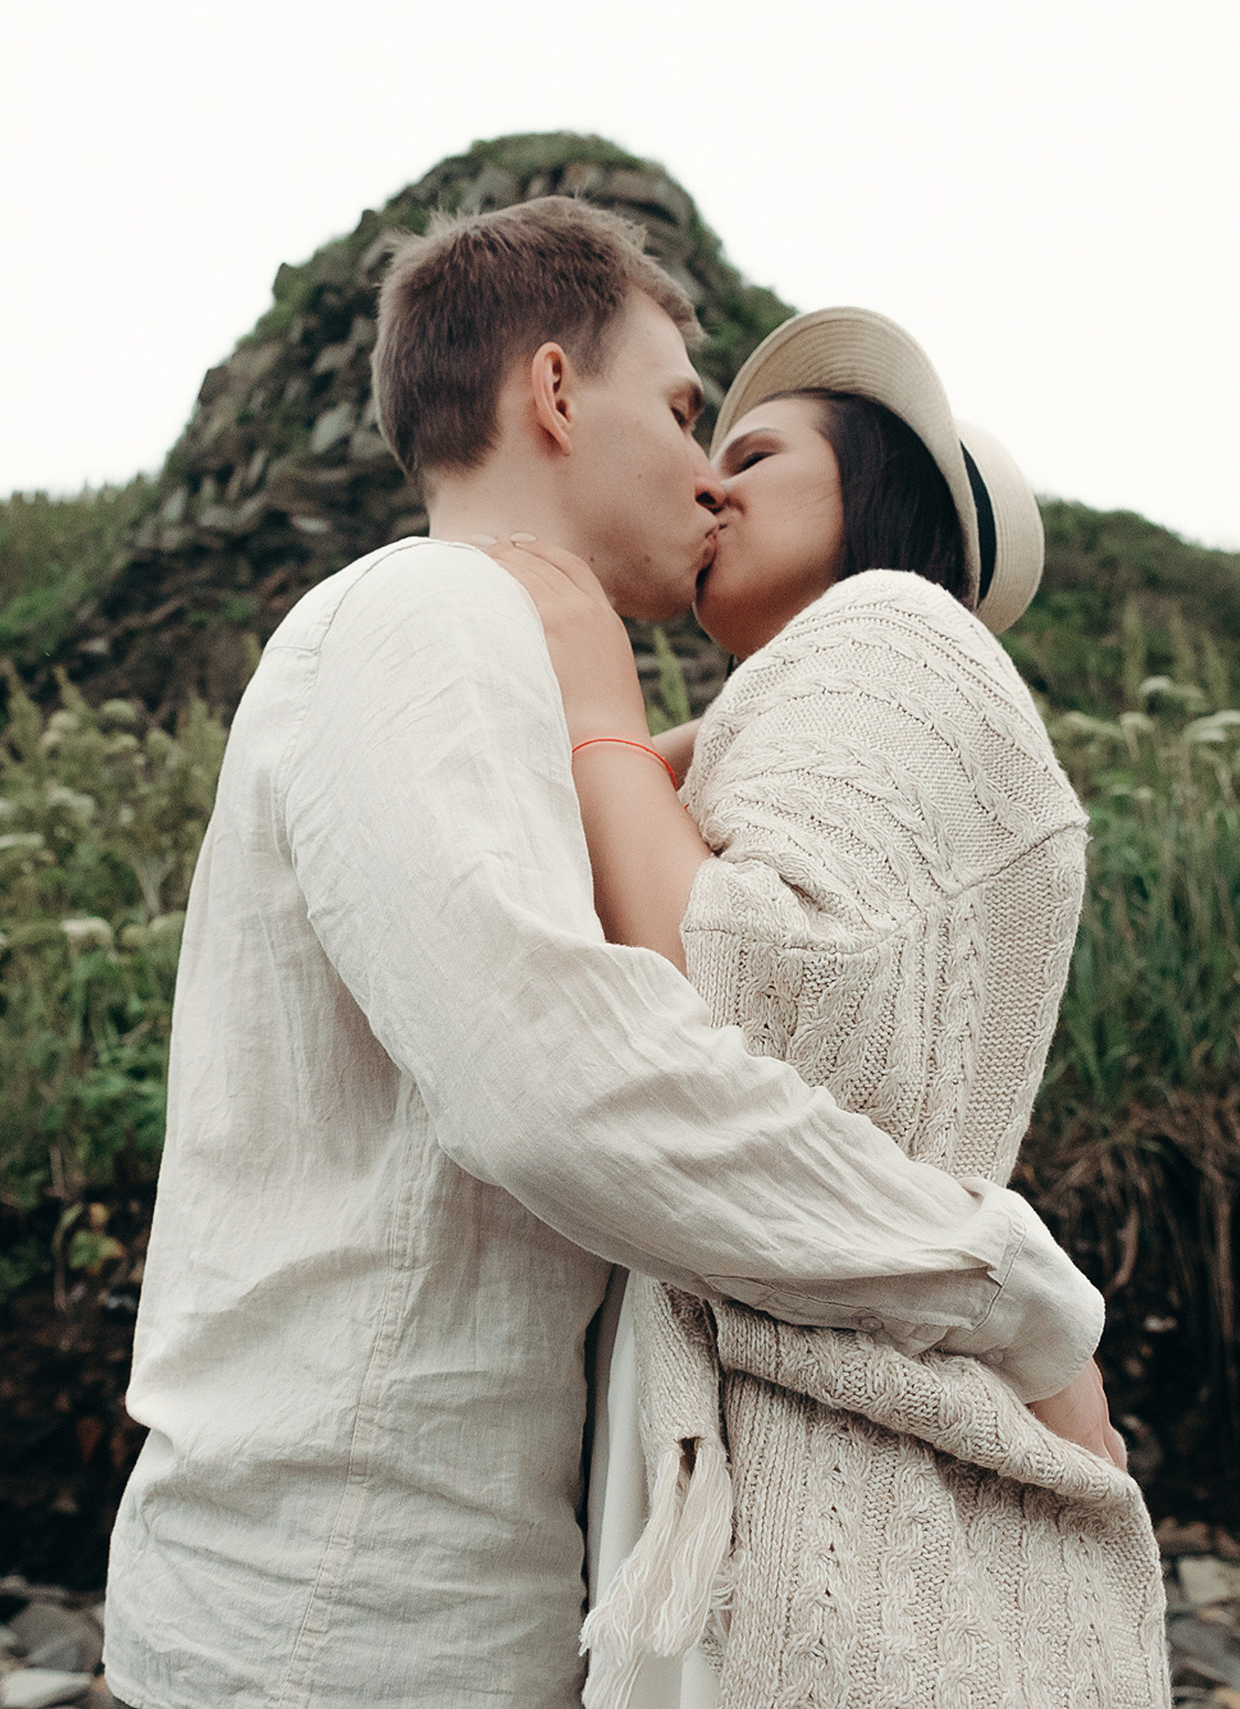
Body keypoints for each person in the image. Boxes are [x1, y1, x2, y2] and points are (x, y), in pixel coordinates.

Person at [100, 204, 1118, 1709]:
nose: (707, 470)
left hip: (411, 1609)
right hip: (344, 1623)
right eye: (687, 410)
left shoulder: (480, 669)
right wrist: (998, 1281)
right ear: (558, 394)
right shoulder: (429, 610)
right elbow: (563, 1084)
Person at [488, 306, 1169, 1707]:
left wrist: (596, 692)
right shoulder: (800, 710)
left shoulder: (891, 631)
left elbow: (738, 1002)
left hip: (819, 1394)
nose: (710, 486)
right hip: (810, 1337)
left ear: (880, 491)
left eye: (755, 450)